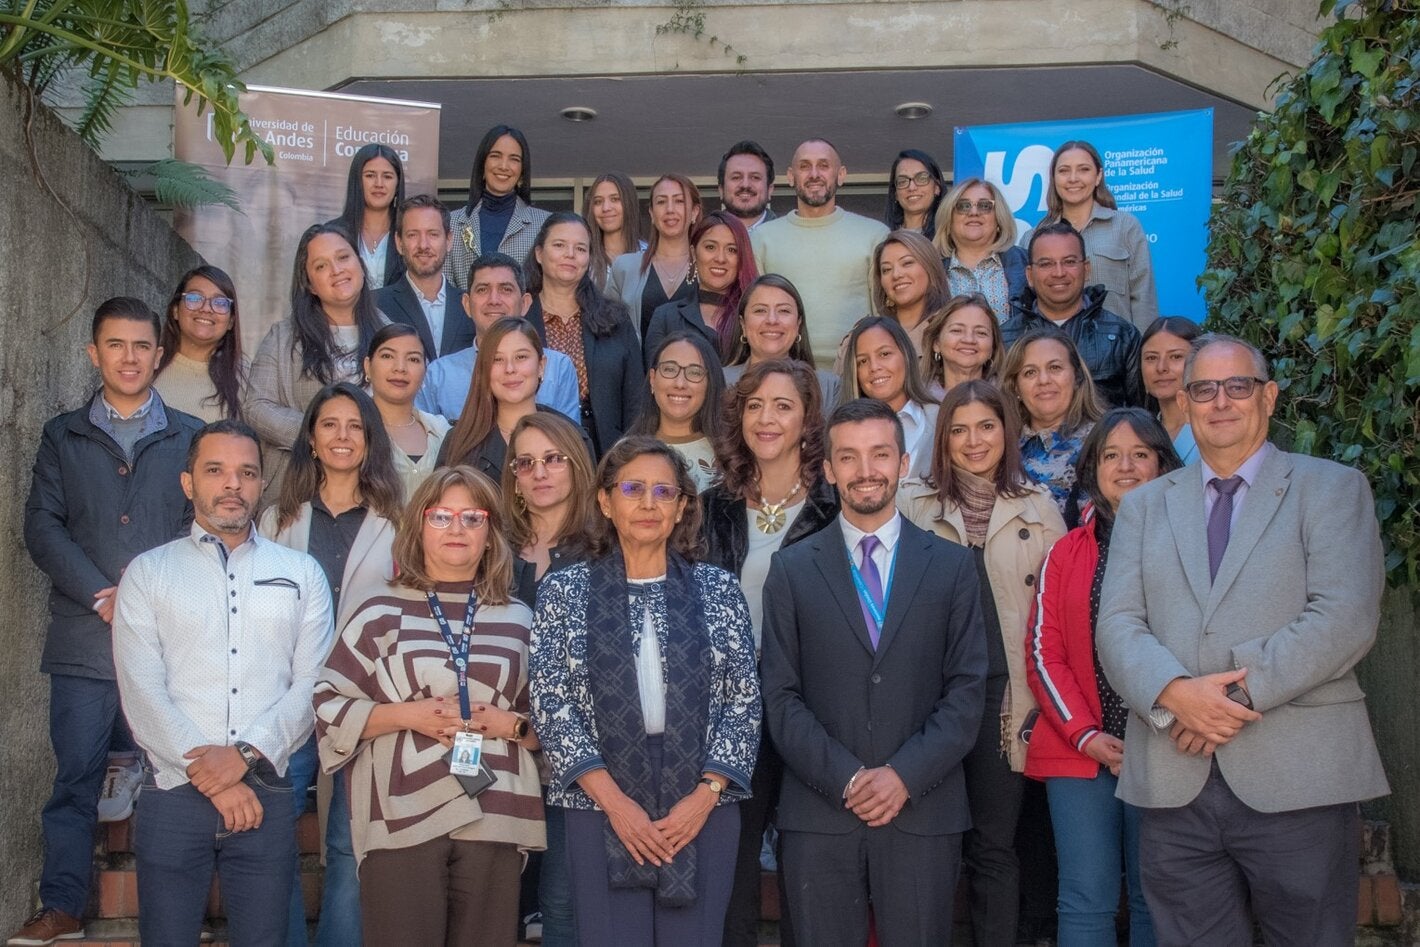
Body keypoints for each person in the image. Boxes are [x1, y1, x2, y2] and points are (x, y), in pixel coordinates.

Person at [1098, 334, 1388, 945]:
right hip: (1176, 784)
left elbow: (1344, 617)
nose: (1221, 402)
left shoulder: (1333, 488)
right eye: (1204, 389)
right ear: (1184, 400)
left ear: (1269, 396)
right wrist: (1176, 692)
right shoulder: (1145, 506)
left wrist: (1226, 701)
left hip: (1300, 778)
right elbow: (1118, 625)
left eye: (1238, 386)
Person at [10, 298, 202, 947]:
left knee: (171, 777)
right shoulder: (62, 434)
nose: (129, 356)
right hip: (83, 639)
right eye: (115, 344)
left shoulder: (189, 434)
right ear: (94, 353)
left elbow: (196, 525)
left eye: (141, 345)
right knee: (75, 780)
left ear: (158, 353)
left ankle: (170, 910)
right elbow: (42, 525)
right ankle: (62, 903)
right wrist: (101, 591)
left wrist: (147, 595)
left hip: (167, 642)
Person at [761, 398, 987, 946]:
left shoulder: (953, 566)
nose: (866, 470)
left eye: (880, 454)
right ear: (830, 469)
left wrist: (903, 775)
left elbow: (967, 691)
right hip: (819, 811)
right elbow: (781, 697)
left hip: (922, 809)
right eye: (850, 457)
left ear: (903, 463)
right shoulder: (790, 569)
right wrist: (848, 778)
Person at [529, 437, 760, 945]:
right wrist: (616, 804)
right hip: (599, 794)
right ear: (606, 502)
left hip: (703, 799)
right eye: (633, 488)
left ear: (682, 507)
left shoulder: (718, 589)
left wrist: (705, 795)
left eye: (663, 491)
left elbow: (744, 700)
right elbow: (551, 701)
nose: (648, 503)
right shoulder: (564, 591)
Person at [112, 420, 333, 945]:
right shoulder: (148, 573)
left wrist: (245, 757)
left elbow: (312, 683)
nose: (232, 484)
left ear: (261, 486)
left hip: (267, 791)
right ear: (189, 483)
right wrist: (215, 773)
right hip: (172, 790)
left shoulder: (302, 574)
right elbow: (141, 687)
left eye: (246, 473)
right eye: (216, 470)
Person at [314, 466, 546, 945]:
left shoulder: (521, 618)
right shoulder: (378, 609)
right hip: (401, 811)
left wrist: (513, 725)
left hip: (496, 806)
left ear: (490, 534)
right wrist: (406, 715)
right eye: (441, 516)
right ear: (418, 527)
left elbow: (552, 721)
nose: (457, 529)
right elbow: (327, 702)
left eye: (472, 517)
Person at [899, 381, 1067, 946]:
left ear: (1007, 432)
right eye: (960, 429)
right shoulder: (911, 503)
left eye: (987, 426)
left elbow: (1061, 614)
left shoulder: (1039, 508)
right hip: (927, 701)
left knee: (995, 846)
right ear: (943, 437)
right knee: (931, 844)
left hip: (1006, 699)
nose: (974, 441)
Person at [1026, 407, 1180, 947]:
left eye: (1142, 454)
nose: (1127, 466)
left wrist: (1159, 724)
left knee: (1152, 895)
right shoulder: (1065, 552)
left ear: (1164, 465)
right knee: (1086, 897)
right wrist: (1085, 735)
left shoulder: (1190, 547)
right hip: (1081, 750)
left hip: (1166, 745)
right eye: (1112, 455)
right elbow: (1045, 653)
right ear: (1093, 469)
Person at [258, 381, 403, 947]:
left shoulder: (397, 521)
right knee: (274, 841)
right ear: (311, 440)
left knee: (347, 844)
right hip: (285, 699)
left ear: (369, 441)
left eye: (355, 427)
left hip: (364, 704)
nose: (342, 437)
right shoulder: (276, 520)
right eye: (329, 425)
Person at [700, 358, 839, 947]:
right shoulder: (710, 507)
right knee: (732, 870)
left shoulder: (836, 511)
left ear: (808, 419)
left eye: (783, 405)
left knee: (809, 871)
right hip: (729, 710)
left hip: (812, 708)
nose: (766, 417)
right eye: (754, 404)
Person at [504, 411, 602, 946]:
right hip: (498, 750)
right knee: (500, 900)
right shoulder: (491, 550)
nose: (540, 472)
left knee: (564, 902)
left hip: (576, 756)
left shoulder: (605, 550)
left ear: (576, 465)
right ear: (514, 477)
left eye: (552, 459)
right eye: (526, 462)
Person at [244, 222, 387, 497]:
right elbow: (256, 408)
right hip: (298, 487)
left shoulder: (390, 334)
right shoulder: (283, 337)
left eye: (343, 257)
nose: (336, 271)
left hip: (375, 487)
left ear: (360, 263)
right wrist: (321, 434)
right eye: (321, 266)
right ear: (309, 283)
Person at [750, 139, 890, 367]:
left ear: (841, 174)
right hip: (784, 371)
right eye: (804, 166)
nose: (814, 174)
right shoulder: (761, 238)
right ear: (790, 176)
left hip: (855, 373)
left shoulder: (874, 234)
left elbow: (883, 317)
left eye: (823, 165)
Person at [525, 213, 644, 457]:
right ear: (539, 253)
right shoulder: (520, 319)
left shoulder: (614, 320)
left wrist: (628, 455)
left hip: (606, 448)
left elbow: (636, 400)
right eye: (559, 245)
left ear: (589, 259)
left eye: (580, 248)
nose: (570, 254)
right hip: (536, 445)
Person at [415, 253, 581, 421]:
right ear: (467, 304)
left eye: (506, 289)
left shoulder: (558, 368)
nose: (494, 300)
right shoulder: (438, 375)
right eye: (482, 290)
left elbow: (569, 441)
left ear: (525, 303)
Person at [1001, 220, 1142, 409]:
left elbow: (1142, 416)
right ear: (1029, 275)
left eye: (1069, 262)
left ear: (1086, 269)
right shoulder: (1006, 339)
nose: (1059, 273)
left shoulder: (1121, 336)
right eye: (1046, 264)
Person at [437, 317, 592, 479]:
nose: (509, 369)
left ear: (541, 366)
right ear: (483, 369)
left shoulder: (572, 437)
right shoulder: (458, 442)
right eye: (497, 359)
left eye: (521, 357)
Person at [1042, 140, 1158, 329]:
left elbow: (1143, 298)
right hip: (1056, 354)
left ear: (1098, 176)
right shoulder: (1035, 237)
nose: (1073, 178)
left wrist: (1143, 353)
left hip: (1118, 353)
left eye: (1083, 169)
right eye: (1064, 171)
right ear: (1053, 178)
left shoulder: (1125, 226)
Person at [1000, 327, 1105, 527]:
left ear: (1077, 377)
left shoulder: (1106, 441)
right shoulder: (998, 447)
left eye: (1055, 368)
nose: (1044, 380)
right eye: (1030, 372)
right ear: (1016, 387)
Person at [643, 209, 758, 364]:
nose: (720, 258)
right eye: (710, 247)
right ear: (693, 252)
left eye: (732, 250)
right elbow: (655, 380)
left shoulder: (756, 316)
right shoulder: (665, 317)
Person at [446, 124, 551, 286]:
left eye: (514, 159)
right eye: (495, 156)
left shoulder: (544, 224)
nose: (503, 166)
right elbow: (445, 287)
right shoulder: (452, 222)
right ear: (482, 164)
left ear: (522, 170)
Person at [838, 316, 939, 480]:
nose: (874, 367)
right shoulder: (841, 432)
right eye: (863, 361)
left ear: (906, 355)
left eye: (884, 354)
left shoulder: (941, 419)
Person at [376, 194, 474, 361]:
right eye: (413, 235)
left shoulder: (472, 305)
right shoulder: (375, 304)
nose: (423, 245)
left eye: (433, 234)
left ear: (449, 240)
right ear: (399, 243)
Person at [722, 274, 841, 409]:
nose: (772, 320)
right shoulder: (718, 381)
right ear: (743, 325)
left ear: (798, 325)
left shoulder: (829, 388)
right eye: (760, 310)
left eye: (783, 310)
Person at [608, 174, 703, 339]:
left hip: (700, 364)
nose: (670, 209)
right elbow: (607, 327)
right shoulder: (625, 267)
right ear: (651, 213)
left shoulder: (709, 266)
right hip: (639, 364)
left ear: (695, 212)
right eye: (661, 202)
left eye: (679, 201)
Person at [365, 323, 450, 499]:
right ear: (368, 366)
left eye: (413, 359)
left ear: (425, 371)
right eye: (387, 356)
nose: (400, 368)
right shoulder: (352, 430)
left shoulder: (442, 431)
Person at [632, 331, 726, 492]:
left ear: (710, 383)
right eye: (669, 369)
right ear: (653, 379)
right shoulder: (626, 453)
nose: (680, 383)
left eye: (694, 372)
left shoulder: (731, 455)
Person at [155, 265, 247, 423]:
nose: (206, 309)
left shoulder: (247, 378)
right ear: (175, 310)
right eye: (195, 298)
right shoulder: (145, 366)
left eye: (220, 303)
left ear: (231, 321)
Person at [935, 177, 1029, 323]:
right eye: (963, 206)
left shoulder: (1025, 263)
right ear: (949, 220)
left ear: (999, 219)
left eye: (984, 206)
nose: (973, 212)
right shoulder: (930, 271)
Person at [330, 143, 406, 290]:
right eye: (370, 175)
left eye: (387, 176)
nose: (379, 184)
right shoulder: (333, 234)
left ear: (397, 184)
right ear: (357, 181)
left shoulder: (408, 236)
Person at [869, 229, 951, 364]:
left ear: (930, 268)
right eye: (886, 270)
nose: (896, 275)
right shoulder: (867, 335)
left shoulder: (954, 330)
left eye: (907, 263)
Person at [1139, 316, 1202, 464]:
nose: (1161, 368)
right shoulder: (1137, 434)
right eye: (1151, 358)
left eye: (1175, 356)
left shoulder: (1215, 429)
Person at [919, 293, 1006, 396]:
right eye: (957, 330)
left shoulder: (1011, 402)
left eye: (981, 333)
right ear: (936, 343)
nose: (969, 340)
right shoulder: (915, 404)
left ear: (993, 347)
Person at [585, 171, 646, 290]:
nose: (606, 208)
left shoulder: (649, 256)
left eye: (615, 199)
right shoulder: (583, 257)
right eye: (598, 201)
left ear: (630, 203)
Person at [883, 149, 946, 240]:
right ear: (895, 193)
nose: (912, 187)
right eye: (902, 181)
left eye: (921, 178)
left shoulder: (949, 237)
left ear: (937, 187)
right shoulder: (883, 237)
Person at [717, 140, 776, 231]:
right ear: (721, 189)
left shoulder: (789, 237)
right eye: (736, 177)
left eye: (755, 177)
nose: (745, 185)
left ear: (770, 189)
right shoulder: (702, 236)